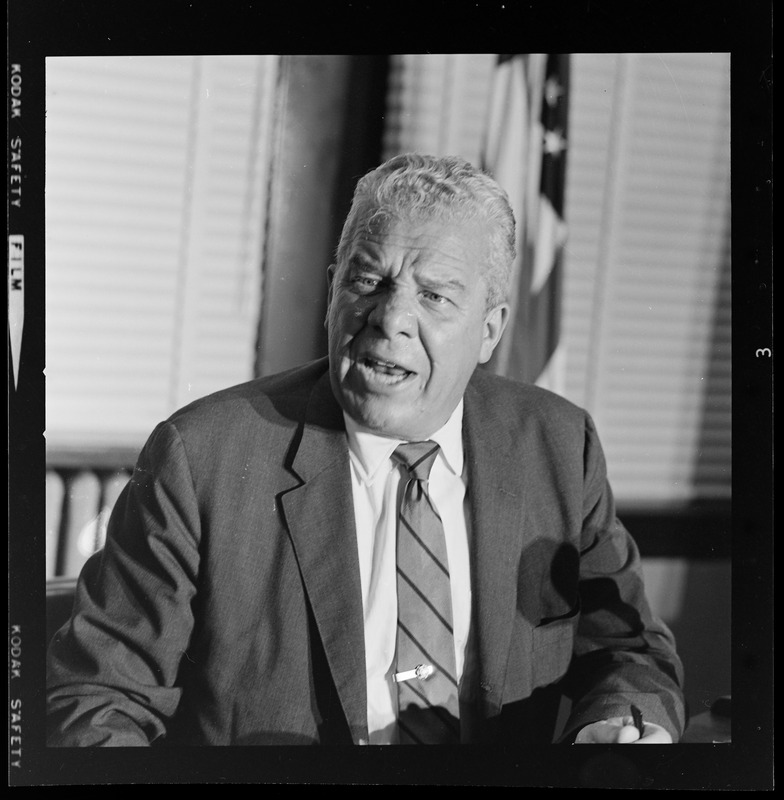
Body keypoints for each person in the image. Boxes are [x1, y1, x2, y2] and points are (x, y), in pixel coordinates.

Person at [46, 153, 685, 747]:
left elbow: (627, 649)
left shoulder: (558, 446)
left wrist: (622, 724)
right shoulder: (203, 458)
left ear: (489, 330)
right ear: (332, 290)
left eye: (434, 296)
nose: (390, 318)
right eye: (369, 281)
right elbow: (98, 698)